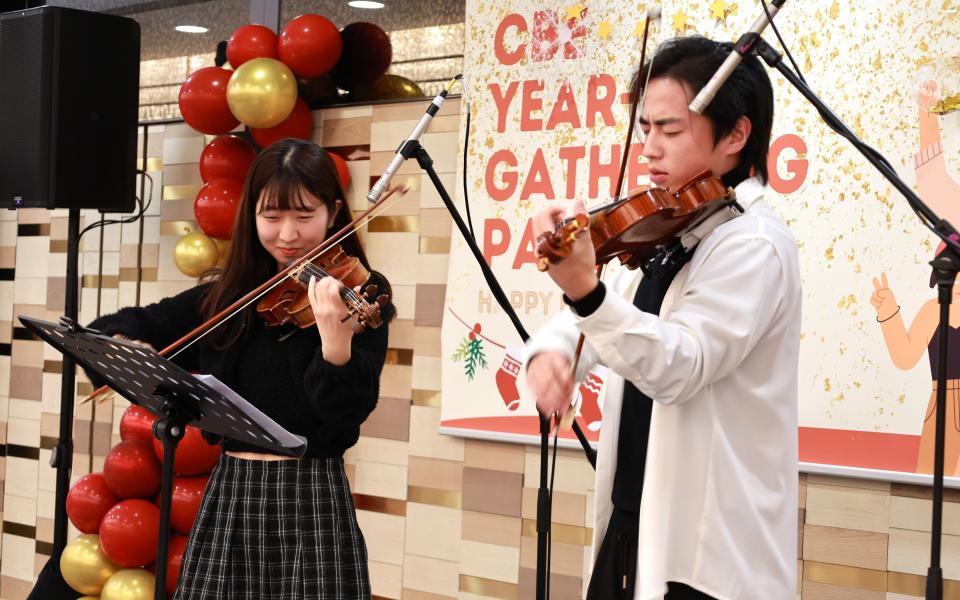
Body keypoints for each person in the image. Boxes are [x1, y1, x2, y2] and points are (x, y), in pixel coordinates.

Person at [525, 36, 801, 599]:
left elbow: (681, 363)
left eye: (669, 130)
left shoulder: (754, 244)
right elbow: (600, 322)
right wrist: (552, 355)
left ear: (736, 135)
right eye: (645, 127)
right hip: (633, 525)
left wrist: (585, 293)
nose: (648, 147)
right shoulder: (670, 229)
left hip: (706, 555)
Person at [86, 138, 394, 599]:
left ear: (333, 213)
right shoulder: (229, 297)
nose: (287, 234)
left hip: (311, 496)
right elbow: (135, 323)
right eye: (271, 217)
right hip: (232, 490)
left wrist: (335, 343)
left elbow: (345, 413)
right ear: (251, 216)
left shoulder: (359, 292)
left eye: (304, 216)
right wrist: (115, 343)